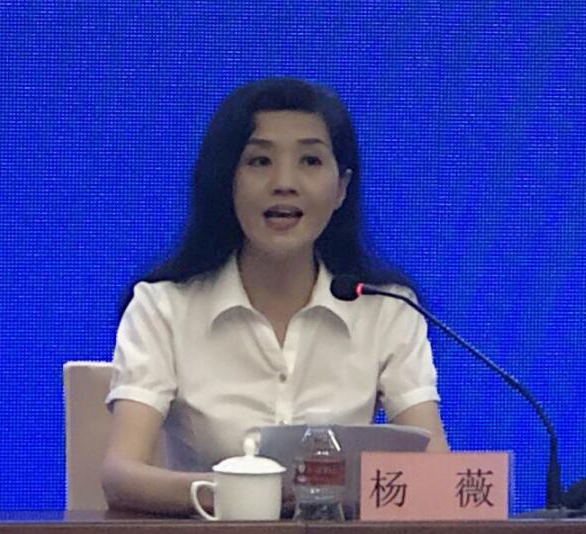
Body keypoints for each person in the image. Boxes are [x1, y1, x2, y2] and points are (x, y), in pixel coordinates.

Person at [101, 78, 449, 515]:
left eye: (310, 161)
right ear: (227, 180)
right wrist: (238, 492)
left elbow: (435, 472)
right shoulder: (163, 307)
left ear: (341, 188)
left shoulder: (387, 308)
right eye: (260, 161)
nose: (284, 183)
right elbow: (121, 475)